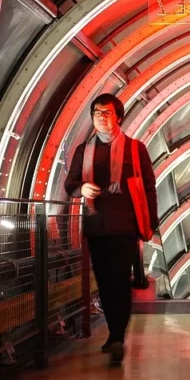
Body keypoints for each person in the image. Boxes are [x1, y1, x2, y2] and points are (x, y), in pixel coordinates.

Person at [65, 93, 158, 364]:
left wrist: (149, 223)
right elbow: (70, 183)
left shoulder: (135, 148)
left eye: (106, 113)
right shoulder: (84, 150)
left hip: (125, 225)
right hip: (96, 225)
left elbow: (149, 187)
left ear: (119, 116)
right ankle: (114, 333)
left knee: (119, 279)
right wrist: (81, 188)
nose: (101, 117)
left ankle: (117, 336)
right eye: (96, 113)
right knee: (104, 282)